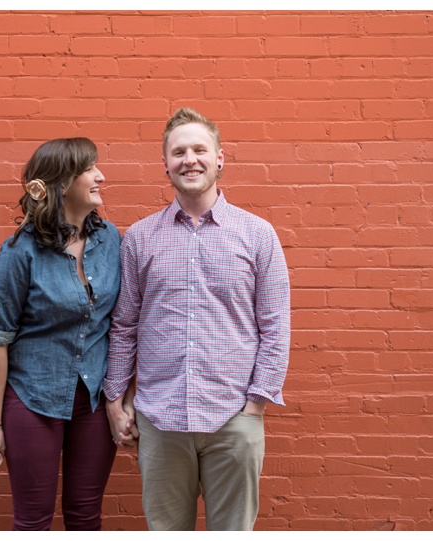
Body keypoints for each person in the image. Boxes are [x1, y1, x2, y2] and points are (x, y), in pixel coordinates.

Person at [103, 108, 291, 531]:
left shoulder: (257, 234)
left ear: (220, 158)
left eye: (199, 149)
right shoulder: (139, 238)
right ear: (165, 165)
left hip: (233, 420)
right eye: (179, 151)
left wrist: (256, 404)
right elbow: (125, 325)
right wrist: (115, 400)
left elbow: (275, 327)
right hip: (160, 418)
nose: (190, 159)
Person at [0, 137, 120, 530]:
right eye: (90, 169)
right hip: (33, 398)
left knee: (85, 517)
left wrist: (122, 396)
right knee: (33, 522)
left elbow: (121, 324)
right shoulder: (19, 253)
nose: (100, 176)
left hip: (92, 400)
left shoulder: (111, 241)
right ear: (62, 183)